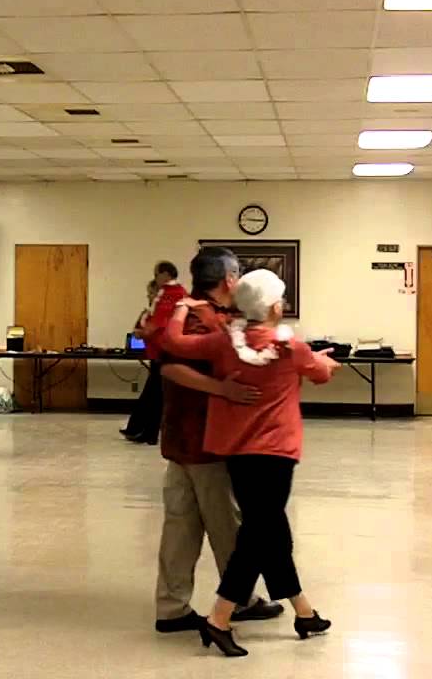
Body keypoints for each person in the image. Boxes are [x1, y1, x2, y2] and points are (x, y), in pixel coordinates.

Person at [162, 269, 338, 657]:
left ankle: (303, 611)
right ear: (275, 306)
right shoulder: (290, 346)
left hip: (236, 451)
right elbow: (321, 374)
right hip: (275, 452)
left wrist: (180, 308)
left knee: (270, 529)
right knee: (258, 534)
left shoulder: (225, 341)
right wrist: (323, 362)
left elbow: (174, 342)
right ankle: (219, 618)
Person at [153, 247, 283, 635]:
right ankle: (239, 599)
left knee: (181, 527)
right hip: (206, 442)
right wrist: (221, 389)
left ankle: (171, 607)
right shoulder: (202, 317)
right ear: (228, 279)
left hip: (181, 441)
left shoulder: (201, 313)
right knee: (228, 524)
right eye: (238, 272)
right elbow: (171, 366)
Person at [121, 262, 187, 445]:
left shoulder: (169, 294)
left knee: (156, 394)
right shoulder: (179, 293)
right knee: (154, 393)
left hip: (163, 351)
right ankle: (142, 430)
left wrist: (143, 333)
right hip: (165, 351)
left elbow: (160, 322)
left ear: (165, 274)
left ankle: (148, 433)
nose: (156, 279)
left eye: (156, 274)